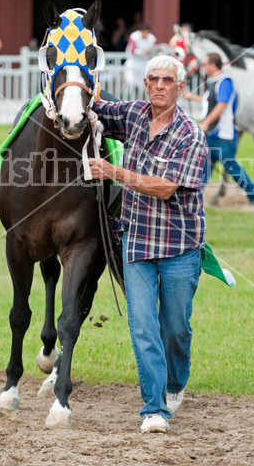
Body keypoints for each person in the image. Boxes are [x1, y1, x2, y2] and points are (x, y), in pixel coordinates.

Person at [89, 54, 208, 434]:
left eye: (167, 80)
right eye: (153, 79)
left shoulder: (191, 135)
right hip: (137, 243)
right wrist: (77, 77)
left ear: (181, 88)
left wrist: (112, 171)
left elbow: (164, 187)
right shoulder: (135, 114)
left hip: (179, 248)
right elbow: (98, 107)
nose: (159, 85)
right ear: (145, 83)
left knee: (174, 327)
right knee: (143, 326)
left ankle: (176, 382)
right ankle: (154, 408)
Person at [183, 52, 254, 204]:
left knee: (232, 168)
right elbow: (209, 102)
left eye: (204, 64)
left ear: (213, 65)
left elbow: (222, 105)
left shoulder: (224, 82)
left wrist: (205, 123)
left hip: (222, 136)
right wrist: (193, 97)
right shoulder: (215, 82)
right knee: (203, 168)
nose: (202, 67)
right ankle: (193, 199)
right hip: (212, 135)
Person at [125, 23, 157, 95]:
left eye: (147, 33)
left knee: (143, 83)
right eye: (144, 32)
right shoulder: (134, 36)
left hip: (144, 63)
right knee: (131, 82)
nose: (145, 35)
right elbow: (132, 50)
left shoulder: (152, 38)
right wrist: (143, 52)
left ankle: (141, 100)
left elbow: (154, 50)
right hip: (133, 62)